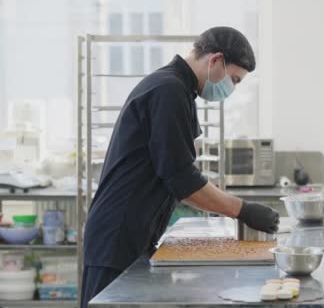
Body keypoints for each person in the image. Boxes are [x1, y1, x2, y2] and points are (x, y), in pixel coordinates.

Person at [81, 27, 280, 307]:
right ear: (215, 60)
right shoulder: (168, 90)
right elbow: (182, 180)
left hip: (132, 232)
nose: (231, 89)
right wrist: (243, 210)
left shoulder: (179, 89)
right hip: (117, 237)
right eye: (233, 79)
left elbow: (180, 171)